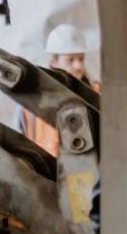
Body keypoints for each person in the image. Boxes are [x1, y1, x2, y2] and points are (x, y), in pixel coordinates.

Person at [15, 23, 94, 156]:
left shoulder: (97, 95)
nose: (78, 65)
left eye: (81, 58)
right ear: (53, 62)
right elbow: (19, 148)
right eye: (71, 60)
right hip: (44, 176)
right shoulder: (29, 105)